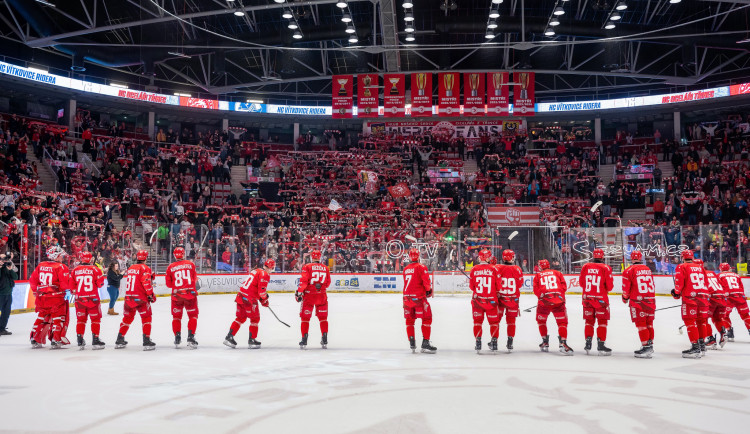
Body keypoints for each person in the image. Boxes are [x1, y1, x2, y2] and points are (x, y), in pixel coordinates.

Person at [28, 246, 73, 348]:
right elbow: (65, 284)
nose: (62, 257)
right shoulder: (61, 267)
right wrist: (70, 288)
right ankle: (56, 340)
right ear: (56, 256)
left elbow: (32, 280)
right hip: (56, 298)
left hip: (42, 298)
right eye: (60, 255)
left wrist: (35, 291)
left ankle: (35, 338)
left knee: (42, 317)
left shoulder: (40, 265)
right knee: (58, 318)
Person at [224, 259, 274, 349]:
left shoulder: (256, 270)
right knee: (255, 319)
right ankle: (252, 340)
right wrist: (265, 299)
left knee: (241, 318)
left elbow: (254, 288)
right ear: (271, 268)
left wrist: (262, 300)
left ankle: (229, 337)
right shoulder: (265, 274)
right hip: (249, 299)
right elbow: (261, 292)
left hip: (240, 296)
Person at [115, 250, 157, 350]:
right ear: (146, 258)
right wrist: (151, 295)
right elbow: (146, 283)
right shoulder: (145, 268)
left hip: (129, 297)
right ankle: (146, 340)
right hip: (140, 298)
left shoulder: (131, 268)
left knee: (127, 318)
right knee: (146, 317)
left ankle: (119, 338)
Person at [672, 250, 708, 358]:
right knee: (701, 321)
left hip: (690, 299)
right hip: (703, 297)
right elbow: (706, 282)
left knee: (690, 321)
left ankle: (695, 347)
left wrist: (676, 293)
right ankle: (702, 345)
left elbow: (679, 283)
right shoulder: (701, 268)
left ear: (682, 257)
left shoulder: (681, 267)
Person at [533, 259, 573, 355]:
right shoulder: (557, 273)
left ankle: (545, 342)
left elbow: (536, 290)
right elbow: (564, 287)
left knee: (541, 321)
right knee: (562, 322)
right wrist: (557, 295)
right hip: (558, 301)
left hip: (544, 303)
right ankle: (563, 343)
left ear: (540, 267)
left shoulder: (537, 276)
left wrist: (543, 297)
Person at [579, 248, 614, 356]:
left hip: (587, 299)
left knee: (589, 321)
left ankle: (588, 343)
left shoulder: (585, 266)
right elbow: (610, 286)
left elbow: (581, 283)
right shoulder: (606, 268)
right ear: (602, 257)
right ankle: (601, 344)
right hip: (601, 300)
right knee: (602, 322)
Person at [621, 250, 656, 358]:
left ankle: (645, 347)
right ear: (640, 258)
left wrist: (625, 298)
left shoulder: (628, 271)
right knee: (649, 323)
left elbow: (626, 289)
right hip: (650, 300)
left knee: (641, 324)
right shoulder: (648, 269)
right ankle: (650, 345)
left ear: (632, 259)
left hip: (637, 301)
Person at [402, 248, 437, 354]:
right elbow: (426, 282)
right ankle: (425, 342)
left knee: (409, 320)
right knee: (427, 318)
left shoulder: (406, 269)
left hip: (407, 299)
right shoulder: (421, 267)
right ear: (418, 256)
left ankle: (411, 341)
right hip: (418, 299)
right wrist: (429, 291)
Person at [294, 249, 331, 349]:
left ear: (312, 257)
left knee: (305, 318)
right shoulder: (325, 268)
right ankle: (324, 338)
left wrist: (299, 293)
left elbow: (303, 282)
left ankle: (304, 339)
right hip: (322, 296)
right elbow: (328, 283)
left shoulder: (307, 267)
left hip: (309, 296)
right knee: (323, 318)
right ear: (319, 257)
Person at [165, 247, 199, 349]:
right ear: (183, 254)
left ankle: (177, 337)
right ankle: (191, 337)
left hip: (176, 296)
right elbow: (194, 280)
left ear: (174, 255)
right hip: (190, 295)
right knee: (193, 316)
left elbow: (169, 284)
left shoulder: (170, 267)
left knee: (176, 317)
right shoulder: (191, 264)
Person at [72, 252, 106, 350]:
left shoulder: (75, 270)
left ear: (81, 259)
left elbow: (72, 288)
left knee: (81, 320)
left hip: (80, 299)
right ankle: (95, 339)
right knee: (95, 320)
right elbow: (100, 284)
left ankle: (80, 339)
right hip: (93, 299)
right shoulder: (95, 269)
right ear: (90, 259)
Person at [469, 249, 500, 352]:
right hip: (491, 301)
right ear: (487, 258)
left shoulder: (474, 269)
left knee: (477, 322)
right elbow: (498, 286)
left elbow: (472, 287)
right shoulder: (494, 269)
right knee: (494, 323)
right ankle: (494, 343)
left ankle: (478, 343)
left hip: (478, 301)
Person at [496, 249, 523, 352]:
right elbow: (520, 284)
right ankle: (510, 342)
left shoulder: (498, 268)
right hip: (513, 300)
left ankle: (494, 340)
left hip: (500, 299)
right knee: (511, 322)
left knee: (496, 321)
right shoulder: (518, 269)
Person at [718, 263, 750, 342]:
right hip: (739, 296)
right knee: (745, 315)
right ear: (729, 268)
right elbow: (741, 287)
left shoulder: (719, 275)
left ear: (720, 269)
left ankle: (729, 332)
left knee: (724, 315)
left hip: (728, 297)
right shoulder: (736, 275)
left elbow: (718, 288)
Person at [704, 264, 730, 349]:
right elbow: (723, 285)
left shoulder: (700, 274)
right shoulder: (713, 273)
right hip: (721, 297)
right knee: (717, 318)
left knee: (703, 319)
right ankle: (723, 333)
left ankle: (710, 339)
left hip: (711, 299)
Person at [0, 254, 19, 336]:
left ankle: (2, 328)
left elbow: (15, 277)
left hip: (8, 294)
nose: (5, 260)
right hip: (0, 294)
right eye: (3, 258)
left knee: (6, 312)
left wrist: (10, 269)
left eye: (5, 258)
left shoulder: (8, 266)